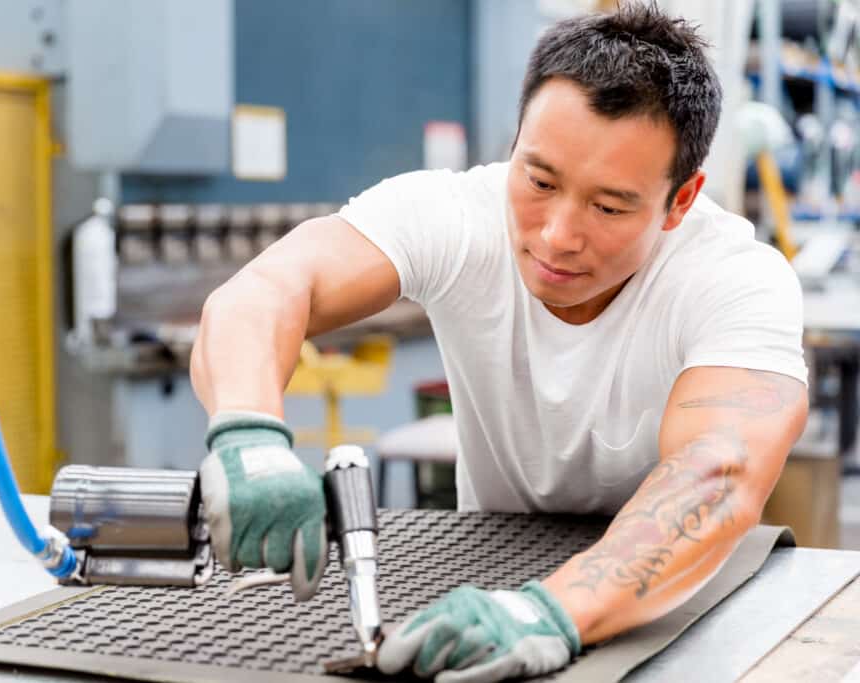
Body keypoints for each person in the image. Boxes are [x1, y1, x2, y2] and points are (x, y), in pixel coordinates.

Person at [190, 3, 808, 681]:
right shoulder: (457, 216)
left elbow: (717, 470)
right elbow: (266, 290)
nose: (556, 236)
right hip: (485, 559)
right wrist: (247, 430)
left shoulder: (735, 277)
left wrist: (558, 608)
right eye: (539, 181)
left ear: (681, 200)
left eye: (608, 206)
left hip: (673, 599)